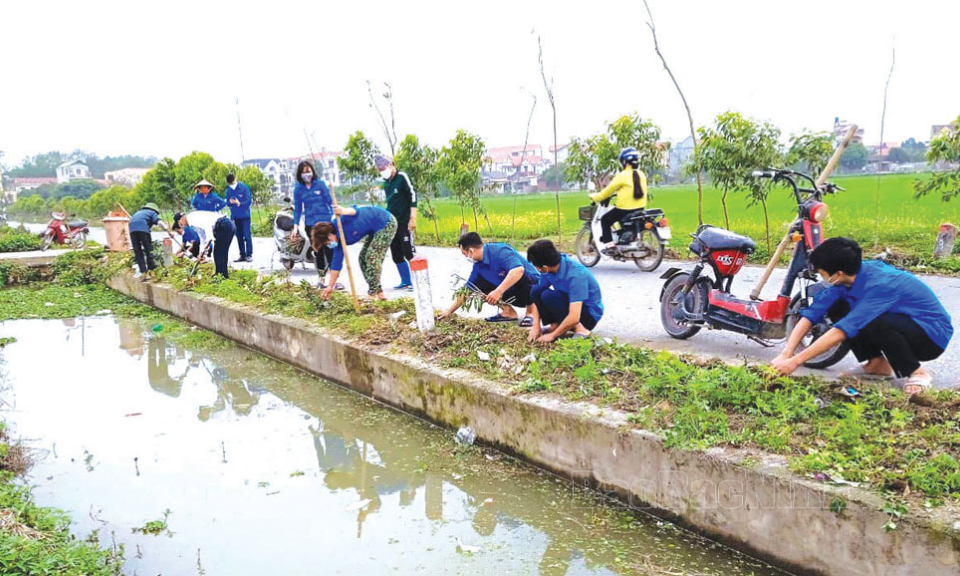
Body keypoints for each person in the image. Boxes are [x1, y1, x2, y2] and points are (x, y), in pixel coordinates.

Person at [772, 237, 953, 394]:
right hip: (899, 322)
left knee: (875, 322)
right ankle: (877, 365)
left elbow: (841, 331)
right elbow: (812, 314)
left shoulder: (881, 284)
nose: (821, 277)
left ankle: (918, 372)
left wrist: (795, 362)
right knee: (838, 307)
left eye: (821, 273)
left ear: (838, 273)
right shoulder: (847, 279)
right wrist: (786, 354)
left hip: (930, 337)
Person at [438, 232, 540, 327]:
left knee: (522, 276)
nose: (466, 257)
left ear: (471, 251)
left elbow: (518, 270)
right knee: (478, 285)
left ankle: (531, 313)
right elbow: (468, 290)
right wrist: (449, 311)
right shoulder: (478, 267)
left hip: (534, 290)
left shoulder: (500, 251)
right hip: (513, 293)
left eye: (465, 254)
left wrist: (498, 291)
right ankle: (508, 312)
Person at [309, 205, 397, 301]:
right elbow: (336, 265)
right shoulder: (339, 242)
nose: (329, 245)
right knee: (362, 259)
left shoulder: (340, 222)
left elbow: (355, 211)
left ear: (329, 235)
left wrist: (344, 211)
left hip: (385, 222)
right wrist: (330, 286)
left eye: (327, 242)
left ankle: (377, 294)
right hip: (373, 231)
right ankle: (376, 292)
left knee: (372, 257)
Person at [526, 239, 604, 343]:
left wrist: (552, 336)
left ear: (544, 268)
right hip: (570, 308)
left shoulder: (576, 275)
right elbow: (536, 294)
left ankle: (581, 330)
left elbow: (575, 316)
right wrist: (535, 326)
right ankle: (556, 326)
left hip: (588, 315)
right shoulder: (550, 269)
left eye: (536, 267)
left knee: (549, 296)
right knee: (536, 291)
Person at [589, 147, 648, 253]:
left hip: (625, 209)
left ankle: (609, 245)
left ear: (624, 161)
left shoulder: (622, 176)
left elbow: (606, 192)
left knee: (605, 220)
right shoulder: (642, 174)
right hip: (640, 208)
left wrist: (594, 196)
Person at [291, 160, 338, 287]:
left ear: (312, 172)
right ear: (300, 174)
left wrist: (336, 213)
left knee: (330, 250)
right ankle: (321, 280)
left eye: (309, 171)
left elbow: (330, 201)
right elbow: (298, 208)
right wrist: (295, 226)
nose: (307, 174)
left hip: (325, 223)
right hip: (310, 224)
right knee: (318, 252)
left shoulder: (320, 184)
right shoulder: (298, 189)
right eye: (304, 172)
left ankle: (334, 280)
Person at [375, 154, 418, 291]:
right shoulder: (387, 183)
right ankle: (405, 280)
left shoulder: (402, 177)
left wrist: (412, 218)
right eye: (380, 169)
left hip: (405, 222)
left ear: (391, 164)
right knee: (396, 253)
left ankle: (417, 281)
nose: (383, 171)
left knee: (408, 251)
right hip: (392, 223)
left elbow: (413, 196)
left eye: (384, 167)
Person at [171, 208, 236, 279]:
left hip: (224, 225)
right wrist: (201, 253)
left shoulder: (192, 218)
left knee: (220, 253)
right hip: (225, 226)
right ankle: (220, 275)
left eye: (181, 224)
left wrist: (208, 243)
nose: (183, 226)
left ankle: (222, 277)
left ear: (181, 220)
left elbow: (207, 227)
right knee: (219, 252)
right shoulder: (192, 222)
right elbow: (202, 237)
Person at [127, 202, 168, 281]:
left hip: (132, 230)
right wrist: (166, 229)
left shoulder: (138, 213)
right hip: (143, 230)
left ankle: (144, 272)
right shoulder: (152, 212)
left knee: (138, 251)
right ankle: (151, 271)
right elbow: (158, 221)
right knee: (149, 250)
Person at [225, 172, 253, 263]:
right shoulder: (228, 190)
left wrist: (239, 203)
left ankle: (249, 255)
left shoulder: (244, 188)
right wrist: (230, 202)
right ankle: (242, 254)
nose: (232, 185)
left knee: (247, 235)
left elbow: (248, 202)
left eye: (232, 183)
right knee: (239, 236)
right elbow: (228, 203)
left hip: (245, 216)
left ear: (235, 179)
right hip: (235, 216)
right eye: (230, 184)